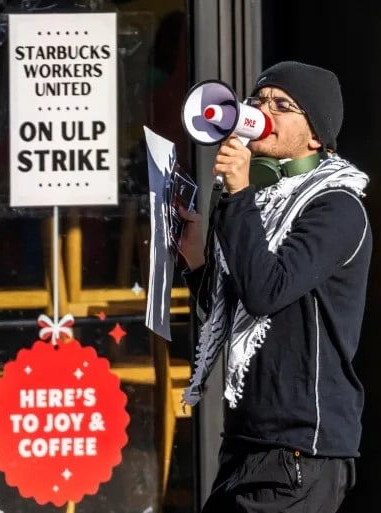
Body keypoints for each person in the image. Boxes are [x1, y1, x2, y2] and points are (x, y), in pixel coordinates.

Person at [178, 61, 371, 513]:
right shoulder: (255, 201)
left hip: (299, 449)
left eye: (282, 105)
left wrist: (240, 192)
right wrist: (195, 260)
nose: (264, 110)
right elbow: (227, 302)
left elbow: (267, 290)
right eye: (259, 100)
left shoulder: (337, 207)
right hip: (247, 440)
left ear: (316, 135)